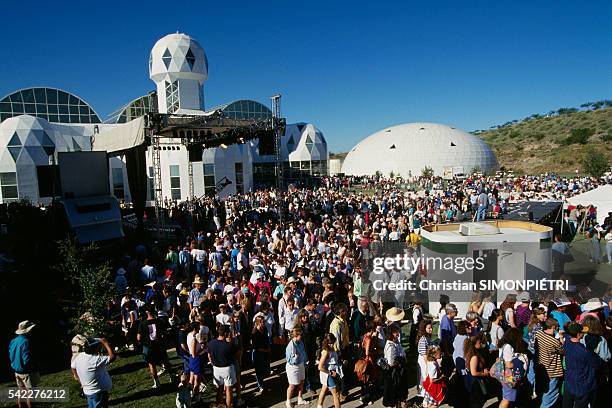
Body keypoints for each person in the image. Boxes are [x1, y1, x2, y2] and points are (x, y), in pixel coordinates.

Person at [563, 322, 604, 408]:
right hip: (582, 386)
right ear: (578, 334)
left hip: (569, 382)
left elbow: (567, 333)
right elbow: (596, 363)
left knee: (567, 405)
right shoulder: (584, 351)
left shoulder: (567, 343)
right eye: (582, 332)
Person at [71, 337, 116, 408]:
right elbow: (112, 357)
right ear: (95, 348)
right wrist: (105, 343)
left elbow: (73, 367)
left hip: (88, 391)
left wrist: (79, 379)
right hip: (98, 392)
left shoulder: (79, 357)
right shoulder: (95, 360)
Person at [137, 307, 174, 388]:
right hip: (160, 344)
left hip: (149, 345)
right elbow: (165, 332)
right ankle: (172, 377)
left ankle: (157, 382)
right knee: (165, 361)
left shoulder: (142, 324)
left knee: (152, 364)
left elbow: (139, 337)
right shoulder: (159, 321)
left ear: (146, 313)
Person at [9, 321, 39, 408]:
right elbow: (26, 359)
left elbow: (11, 355)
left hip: (16, 370)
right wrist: (33, 368)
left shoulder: (13, 341)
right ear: (28, 331)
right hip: (26, 371)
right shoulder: (26, 341)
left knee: (21, 391)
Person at [535, 318, 564, 408]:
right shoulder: (554, 341)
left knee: (542, 391)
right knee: (550, 394)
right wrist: (561, 337)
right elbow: (563, 351)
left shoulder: (539, 334)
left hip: (541, 367)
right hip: (552, 371)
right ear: (554, 327)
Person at [207, 325, 238, 408]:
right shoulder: (229, 345)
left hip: (216, 369)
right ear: (226, 333)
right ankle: (228, 406)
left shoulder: (211, 343)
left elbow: (209, 356)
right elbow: (237, 354)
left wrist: (213, 363)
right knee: (228, 390)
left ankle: (220, 404)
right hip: (227, 368)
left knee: (219, 389)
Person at [497, 328, 528, 408]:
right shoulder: (508, 347)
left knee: (507, 397)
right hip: (509, 376)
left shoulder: (503, 345)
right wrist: (519, 361)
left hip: (503, 374)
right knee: (507, 399)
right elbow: (508, 364)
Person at [382, 324, 408, 408]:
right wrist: (400, 361)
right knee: (394, 395)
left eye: (397, 331)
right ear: (391, 333)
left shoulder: (396, 342)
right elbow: (391, 362)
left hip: (398, 373)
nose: (397, 333)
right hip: (394, 374)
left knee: (398, 396)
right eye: (395, 332)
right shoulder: (391, 346)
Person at [285, 327, 309, 407]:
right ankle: (288, 401)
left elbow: (304, 352)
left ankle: (300, 399)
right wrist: (296, 357)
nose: (301, 336)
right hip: (293, 367)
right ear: (295, 336)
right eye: (300, 335)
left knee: (302, 382)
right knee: (292, 385)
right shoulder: (290, 346)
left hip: (301, 364)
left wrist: (305, 362)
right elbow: (290, 361)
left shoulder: (300, 342)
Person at [317, 333, 342, 408]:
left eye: (332, 343)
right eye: (330, 343)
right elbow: (320, 367)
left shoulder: (330, 349)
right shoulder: (326, 352)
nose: (331, 344)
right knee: (336, 394)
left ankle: (319, 406)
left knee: (324, 389)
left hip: (331, 373)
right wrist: (330, 373)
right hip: (329, 375)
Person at [463, 334, 489, 408]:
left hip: (471, 381)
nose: (480, 344)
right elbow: (474, 372)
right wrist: (485, 374)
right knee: (477, 403)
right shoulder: (474, 357)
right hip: (475, 383)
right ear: (474, 344)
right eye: (479, 343)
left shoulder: (471, 354)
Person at [251, 315, 271, 394]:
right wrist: (266, 350)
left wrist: (269, 348)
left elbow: (266, 339)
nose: (264, 323)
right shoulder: (254, 332)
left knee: (264, 370)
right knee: (258, 371)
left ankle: (262, 383)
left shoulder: (265, 329)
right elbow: (255, 347)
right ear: (257, 323)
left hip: (265, 351)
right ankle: (260, 386)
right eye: (262, 322)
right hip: (258, 353)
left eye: (264, 322)